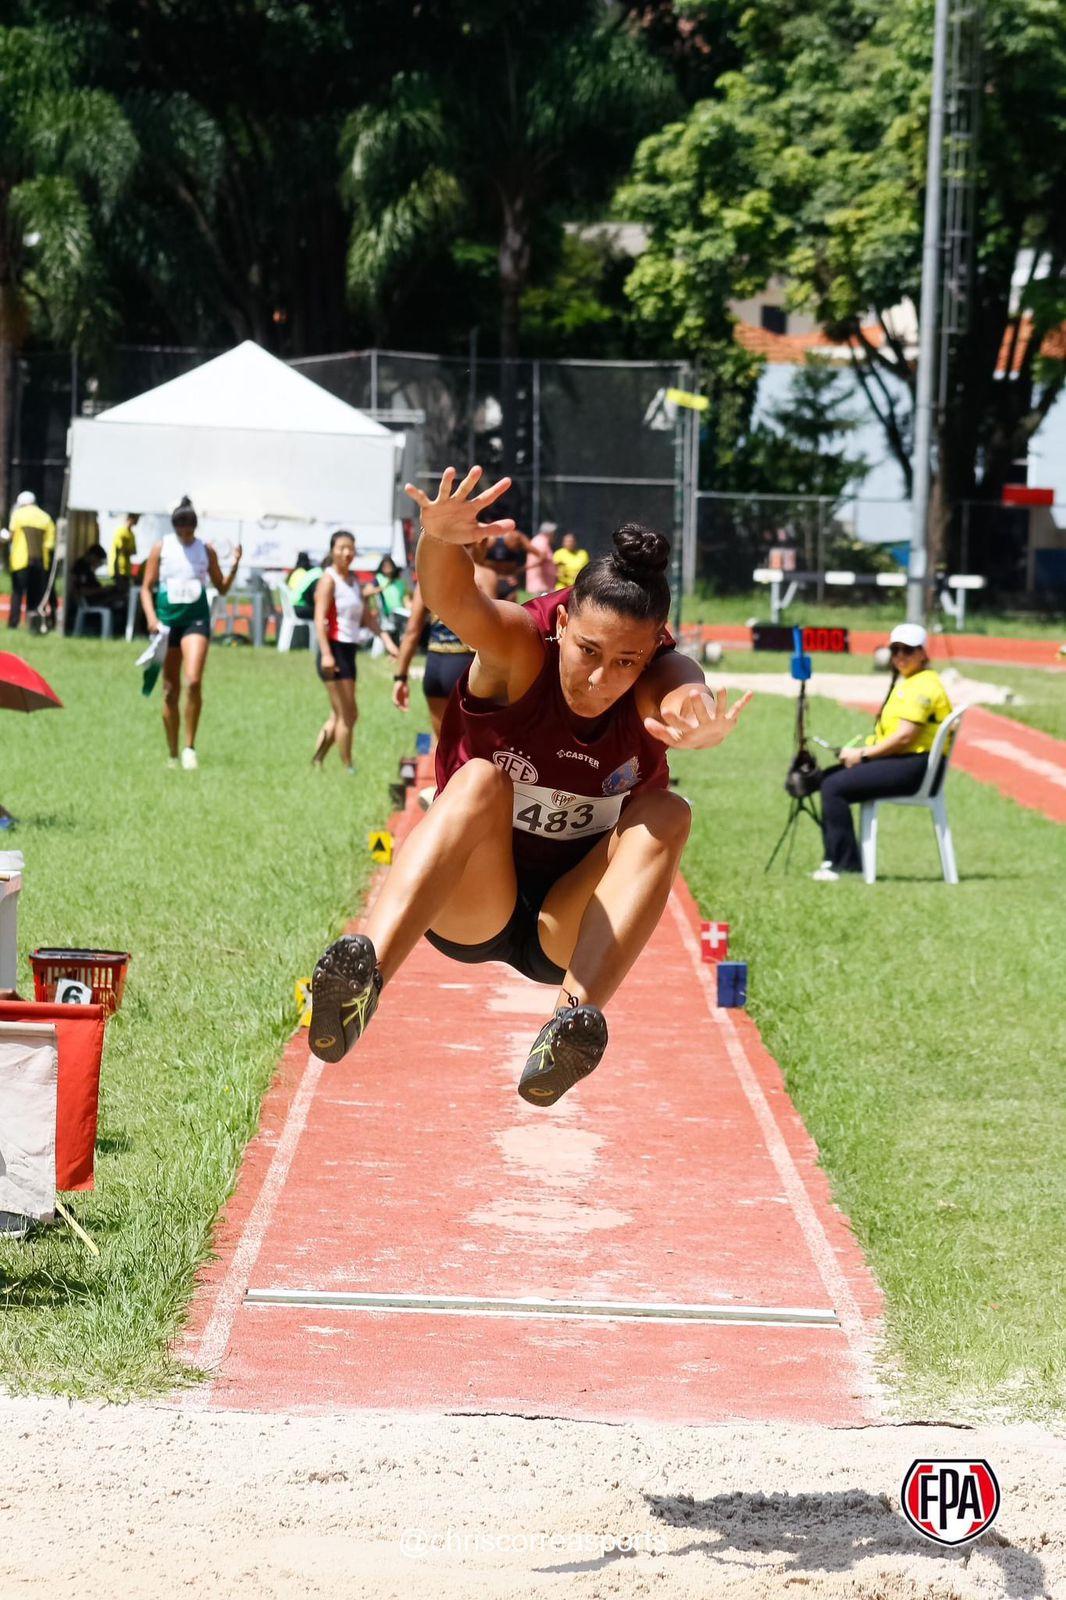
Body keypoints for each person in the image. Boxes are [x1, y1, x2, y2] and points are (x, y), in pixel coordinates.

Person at [309, 464, 752, 1106]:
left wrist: (698, 713)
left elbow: (683, 685)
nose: (602, 679)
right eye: (590, 652)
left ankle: (569, 1025)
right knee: (483, 779)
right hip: (473, 902)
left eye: (627, 661)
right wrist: (436, 539)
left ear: (651, 648)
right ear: (563, 622)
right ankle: (361, 977)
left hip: (564, 925)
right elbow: (457, 603)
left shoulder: (654, 673)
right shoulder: (522, 646)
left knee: (668, 811)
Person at [812, 623, 953, 880]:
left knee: (834, 787)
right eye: (895, 650)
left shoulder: (923, 686)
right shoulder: (913, 681)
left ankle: (844, 864)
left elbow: (904, 737)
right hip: (908, 762)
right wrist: (859, 753)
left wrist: (863, 755)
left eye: (907, 650)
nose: (900, 656)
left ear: (923, 653)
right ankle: (838, 859)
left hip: (916, 768)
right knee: (828, 779)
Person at [139, 497, 242, 769]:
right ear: (174, 528)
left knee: (193, 681)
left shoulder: (205, 550)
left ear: (195, 528)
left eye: (190, 531)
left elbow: (221, 587)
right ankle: (172, 752)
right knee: (170, 689)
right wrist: (151, 618)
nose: (185, 536)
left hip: (195, 620)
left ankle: (189, 747)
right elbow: (145, 587)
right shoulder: (161, 548)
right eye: (181, 531)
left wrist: (234, 566)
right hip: (167, 622)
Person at [392, 538, 500, 743]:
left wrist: (400, 678)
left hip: (434, 667)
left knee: (444, 746)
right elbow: (494, 628)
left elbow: (412, 631)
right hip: (466, 665)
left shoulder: (428, 578)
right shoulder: (485, 575)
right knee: (474, 746)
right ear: (479, 542)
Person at [311, 530, 397, 773]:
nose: (347, 553)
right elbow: (319, 620)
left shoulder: (354, 582)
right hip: (334, 651)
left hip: (348, 649)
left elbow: (366, 619)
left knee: (339, 714)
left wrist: (387, 641)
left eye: (351, 548)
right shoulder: (328, 580)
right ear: (332, 551)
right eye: (341, 548)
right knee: (349, 714)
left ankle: (317, 760)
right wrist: (326, 653)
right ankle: (348, 766)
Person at [4, 492, 55, 630]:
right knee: (35, 594)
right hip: (40, 562)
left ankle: (13, 623)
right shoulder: (46, 517)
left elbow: (11, 535)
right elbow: (50, 544)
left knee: (17, 593)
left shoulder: (18, 515)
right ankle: (32, 624)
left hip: (20, 561)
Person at [482, 528, 531, 600]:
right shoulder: (516, 536)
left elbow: (473, 558)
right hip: (509, 580)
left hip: (491, 580)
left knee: (489, 609)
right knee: (511, 610)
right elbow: (540, 555)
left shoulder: (486, 537)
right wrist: (520, 570)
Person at [288, 552, 323, 620]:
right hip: (299, 605)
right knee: (321, 611)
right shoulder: (304, 573)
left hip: (293, 605)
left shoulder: (296, 572)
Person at [525, 522, 557, 595]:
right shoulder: (540, 541)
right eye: (553, 533)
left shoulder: (541, 540)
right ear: (549, 532)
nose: (554, 535)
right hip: (541, 580)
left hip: (543, 580)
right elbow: (542, 557)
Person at [109, 513, 139, 582]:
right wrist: (128, 551)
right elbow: (121, 549)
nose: (137, 521)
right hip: (118, 569)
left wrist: (128, 551)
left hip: (127, 570)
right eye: (136, 518)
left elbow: (134, 551)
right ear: (129, 519)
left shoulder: (132, 534)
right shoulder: (121, 532)